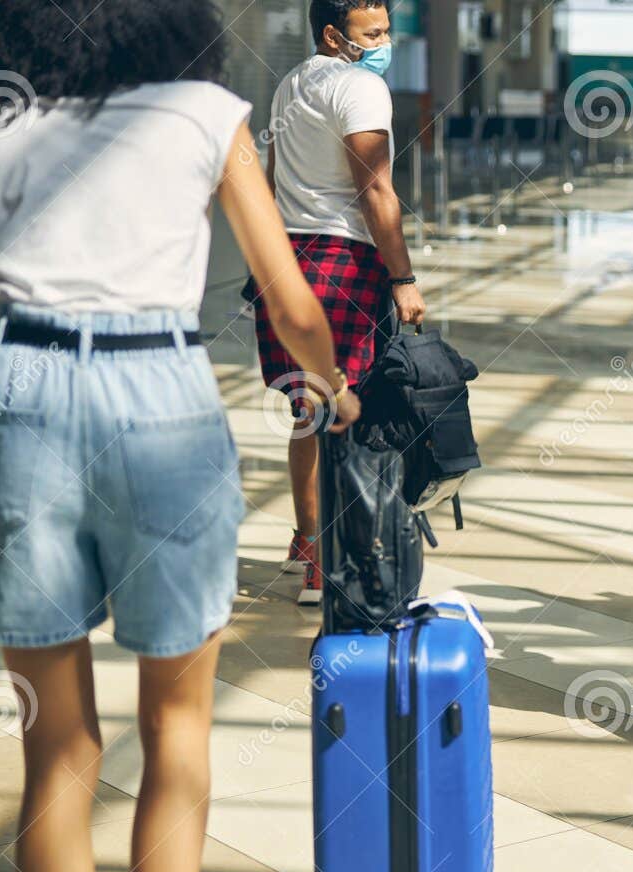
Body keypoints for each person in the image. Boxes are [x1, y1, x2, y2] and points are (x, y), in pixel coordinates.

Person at [0, 0, 355, 872]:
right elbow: (288, 296)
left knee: (57, 755)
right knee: (177, 737)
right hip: (161, 396)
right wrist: (333, 388)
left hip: (19, 402)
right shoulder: (206, 112)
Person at [255, 0, 426, 605]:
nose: (384, 41)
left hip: (288, 258)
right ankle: (328, 565)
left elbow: (274, 175)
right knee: (341, 410)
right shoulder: (361, 87)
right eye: (371, 33)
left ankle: (309, 542)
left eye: (386, 30)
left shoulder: (291, 85)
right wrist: (402, 277)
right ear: (334, 34)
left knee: (310, 409)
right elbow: (375, 186)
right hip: (342, 263)